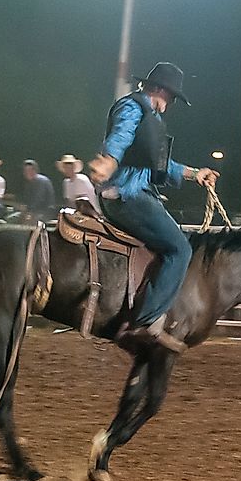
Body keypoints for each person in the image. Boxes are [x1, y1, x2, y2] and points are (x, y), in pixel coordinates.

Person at [89, 62, 219, 342]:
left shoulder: (148, 116)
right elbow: (121, 136)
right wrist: (109, 160)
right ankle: (144, 321)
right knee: (180, 249)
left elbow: (160, 165)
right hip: (127, 195)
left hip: (133, 193)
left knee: (175, 242)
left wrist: (195, 174)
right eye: (171, 97)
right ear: (159, 89)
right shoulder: (133, 108)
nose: (170, 103)